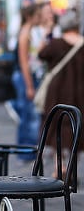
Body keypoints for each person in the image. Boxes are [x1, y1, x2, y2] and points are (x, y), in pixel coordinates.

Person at [37, 9, 84, 172]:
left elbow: (41, 54)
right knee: (76, 125)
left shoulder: (56, 43)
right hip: (79, 92)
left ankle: (60, 164)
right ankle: (72, 167)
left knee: (56, 123)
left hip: (56, 92)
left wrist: (46, 33)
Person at [8, 3, 43, 159]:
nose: (40, 18)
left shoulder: (28, 32)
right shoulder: (25, 33)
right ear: (30, 16)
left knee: (28, 115)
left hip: (25, 77)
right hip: (25, 78)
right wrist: (29, 85)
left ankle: (26, 151)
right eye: (38, 15)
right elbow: (24, 62)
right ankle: (27, 153)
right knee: (29, 116)